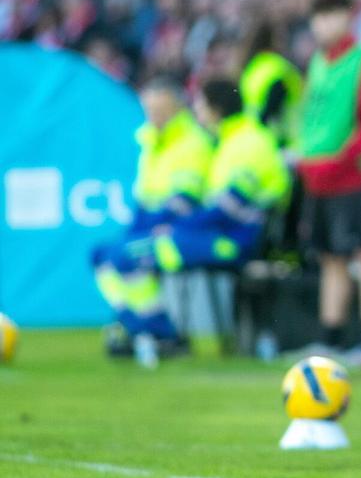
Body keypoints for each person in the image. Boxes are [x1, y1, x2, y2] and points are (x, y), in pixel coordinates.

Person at [94, 78, 289, 368]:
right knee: (113, 254)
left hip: (235, 243)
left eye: (200, 103)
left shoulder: (248, 144)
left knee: (129, 255)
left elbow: (228, 209)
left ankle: (161, 333)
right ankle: (146, 328)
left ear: (215, 109)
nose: (196, 110)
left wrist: (178, 229)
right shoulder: (231, 141)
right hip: (219, 237)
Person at [296, 0, 361, 367]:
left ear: (349, 16)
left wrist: (341, 159)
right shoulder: (318, 61)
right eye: (318, 17)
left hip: (350, 177)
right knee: (330, 259)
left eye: (331, 14)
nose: (323, 24)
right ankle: (329, 338)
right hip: (317, 177)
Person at [93, 78, 214, 360]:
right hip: (152, 227)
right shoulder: (150, 142)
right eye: (150, 111)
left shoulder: (191, 142)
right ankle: (137, 326)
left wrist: (142, 230)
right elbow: (145, 198)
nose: (155, 117)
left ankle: (161, 333)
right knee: (101, 255)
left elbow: (185, 201)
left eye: (161, 111)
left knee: (126, 254)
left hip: (181, 232)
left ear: (177, 108)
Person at [238, 19, 304, 149]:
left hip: (252, 139)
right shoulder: (280, 68)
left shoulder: (251, 69)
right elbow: (272, 108)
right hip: (282, 142)